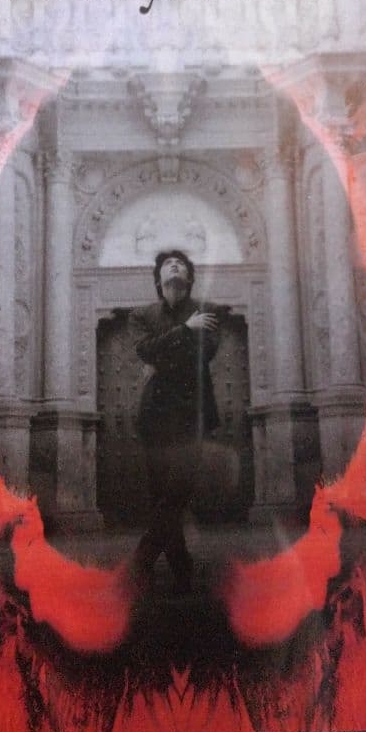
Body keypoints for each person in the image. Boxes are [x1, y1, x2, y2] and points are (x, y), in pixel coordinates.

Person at [130, 249, 221, 593]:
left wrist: (161, 354)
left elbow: (204, 353)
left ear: (190, 277)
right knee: (162, 497)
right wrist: (186, 329)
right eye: (169, 263)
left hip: (192, 415)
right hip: (154, 416)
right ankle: (182, 568)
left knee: (176, 492)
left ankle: (142, 560)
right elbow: (143, 350)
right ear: (159, 278)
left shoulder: (207, 310)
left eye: (181, 263)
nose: (175, 266)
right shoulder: (142, 315)